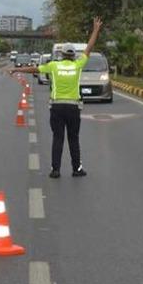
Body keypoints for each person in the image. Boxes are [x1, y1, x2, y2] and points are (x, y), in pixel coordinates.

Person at [9, 17, 103, 179]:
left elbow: (35, 69)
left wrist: (17, 70)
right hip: (73, 108)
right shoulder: (77, 65)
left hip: (57, 107)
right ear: (73, 55)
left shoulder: (53, 66)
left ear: (61, 54)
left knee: (57, 138)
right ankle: (77, 169)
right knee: (73, 139)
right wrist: (96, 29)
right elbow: (88, 48)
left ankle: (55, 170)